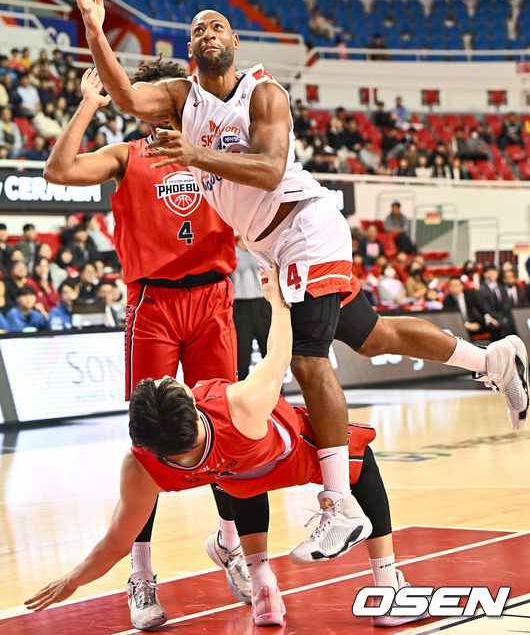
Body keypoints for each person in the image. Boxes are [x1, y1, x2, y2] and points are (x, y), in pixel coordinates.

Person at [75, 0, 529, 528]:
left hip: (303, 228)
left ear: (235, 42)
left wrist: (195, 158)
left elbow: (267, 171)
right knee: (372, 335)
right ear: (190, 48)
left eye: (217, 25)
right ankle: (493, 358)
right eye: (198, 29)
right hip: (275, 245)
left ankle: (338, 504)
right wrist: (95, 29)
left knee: (311, 360)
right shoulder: (179, 98)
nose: (208, 32)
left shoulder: (264, 93)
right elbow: (122, 95)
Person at [25, 266, 428, 629]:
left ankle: (263, 588)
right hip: (289, 456)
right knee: (360, 458)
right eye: (170, 382)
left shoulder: (143, 466)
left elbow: (114, 543)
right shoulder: (240, 405)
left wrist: (73, 580)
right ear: (187, 399)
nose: (171, 377)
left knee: (237, 482)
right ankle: (388, 587)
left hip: (235, 478)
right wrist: (276, 300)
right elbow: (280, 352)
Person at [44, 63, 264, 629]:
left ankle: (231, 543)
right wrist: (90, 101)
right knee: (149, 438)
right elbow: (58, 169)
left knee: (227, 428)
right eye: (145, 96)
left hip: (214, 298)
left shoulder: (216, 151)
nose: (158, 103)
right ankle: (140, 573)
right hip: (155, 303)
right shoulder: (125, 156)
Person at [231, 235, 271, 382]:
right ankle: (242, 398)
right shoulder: (232, 251)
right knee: (242, 357)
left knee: (270, 355)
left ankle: (278, 397)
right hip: (240, 308)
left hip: (263, 305)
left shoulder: (260, 249)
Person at [475, 264, 517, 341]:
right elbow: (486, 308)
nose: (491, 274)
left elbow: (505, 305)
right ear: (484, 275)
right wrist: (501, 319)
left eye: (493, 271)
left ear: (497, 273)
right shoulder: (481, 291)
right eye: (488, 272)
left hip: (503, 318)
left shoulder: (501, 287)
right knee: (500, 327)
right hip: (491, 319)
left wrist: (504, 318)